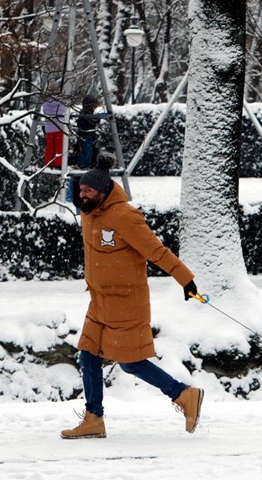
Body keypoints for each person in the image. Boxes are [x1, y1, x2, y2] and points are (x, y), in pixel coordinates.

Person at [61, 153, 204, 439]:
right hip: (100, 301)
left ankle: (185, 395)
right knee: (88, 354)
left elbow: (156, 251)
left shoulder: (124, 216)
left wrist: (186, 280)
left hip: (126, 303)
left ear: (103, 192)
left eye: (88, 190)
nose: (83, 194)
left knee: (130, 362)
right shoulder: (89, 213)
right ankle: (94, 418)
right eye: (81, 189)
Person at [42, 81, 66, 168]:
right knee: (59, 147)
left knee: (49, 147)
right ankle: (58, 163)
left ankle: (48, 162)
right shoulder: (61, 101)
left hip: (49, 127)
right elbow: (63, 111)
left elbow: (44, 111)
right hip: (59, 126)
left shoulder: (45, 102)